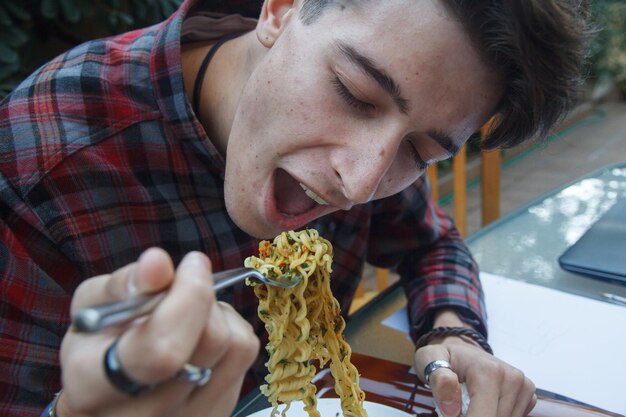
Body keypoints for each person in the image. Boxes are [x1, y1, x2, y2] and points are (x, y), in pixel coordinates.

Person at [0, 0, 590, 416]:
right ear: (280, 10)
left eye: (420, 150)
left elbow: (431, 244)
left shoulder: (373, 149)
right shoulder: (44, 159)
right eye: (354, 94)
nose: (359, 184)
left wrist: (454, 332)